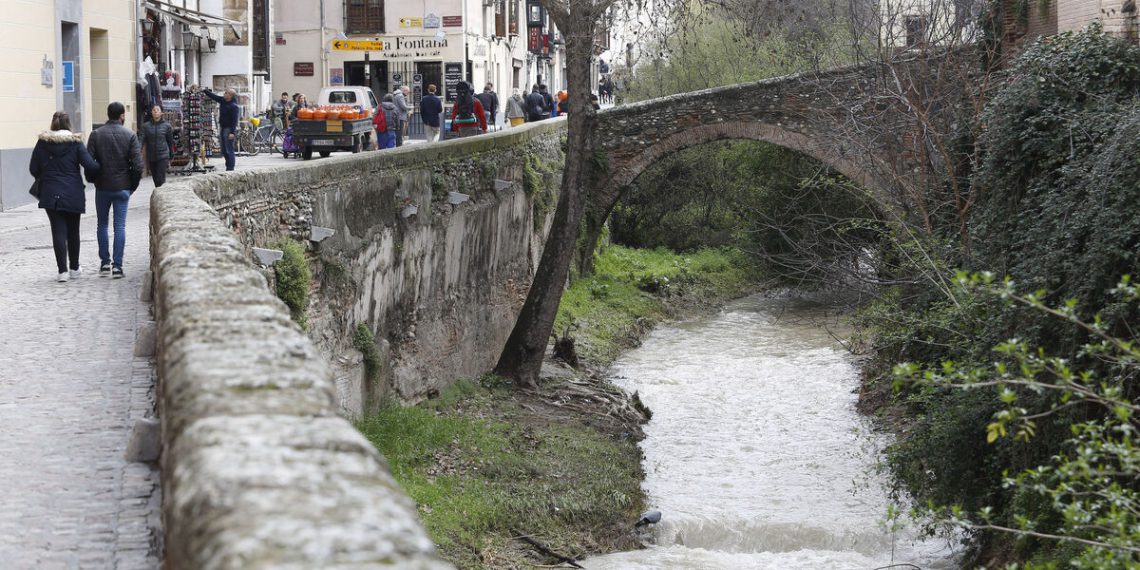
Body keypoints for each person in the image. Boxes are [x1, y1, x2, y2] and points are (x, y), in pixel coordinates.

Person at [29, 111, 100, 282]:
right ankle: (74, 268)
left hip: (50, 191)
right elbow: (90, 165)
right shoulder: (75, 143)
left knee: (58, 230)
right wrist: (103, 166)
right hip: (72, 191)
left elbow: (33, 168)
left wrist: (46, 176)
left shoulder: (42, 143)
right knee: (73, 230)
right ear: (69, 124)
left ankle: (62, 271)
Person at [86, 101, 143, 279]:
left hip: (102, 187)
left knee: (102, 224)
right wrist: (132, 185)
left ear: (108, 114)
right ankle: (117, 266)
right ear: (122, 116)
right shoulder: (130, 135)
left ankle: (104, 262)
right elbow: (138, 165)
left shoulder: (96, 134)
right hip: (122, 186)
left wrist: (93, 179)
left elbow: (89, 163)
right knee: (120, 226)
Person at [203, 87, 239, 171]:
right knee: (223, 149)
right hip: (222, 127)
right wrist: (204, 90)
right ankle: (228, 165)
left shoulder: (233, 106)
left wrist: (232, 132)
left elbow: (234, 120)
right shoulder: (223, 101)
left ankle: (230, 167)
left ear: (230, 95)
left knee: (229, 149)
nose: (224, 94)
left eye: (226, 93)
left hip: (229, 129)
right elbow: (214, 97)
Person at [138, 104, 174, 188]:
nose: (156, 112)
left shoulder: (167, 126)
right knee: (155, 179)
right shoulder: (145, 126)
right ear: (151, 112)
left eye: (157, 110)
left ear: (161, 113)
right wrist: (137, 150)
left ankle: (161, 195)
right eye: (154, 110)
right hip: (151, 156)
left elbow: (170, 141)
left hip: (163, 155)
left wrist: (171, 155)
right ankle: (160, 195)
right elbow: (141, 140)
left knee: (160, 178)